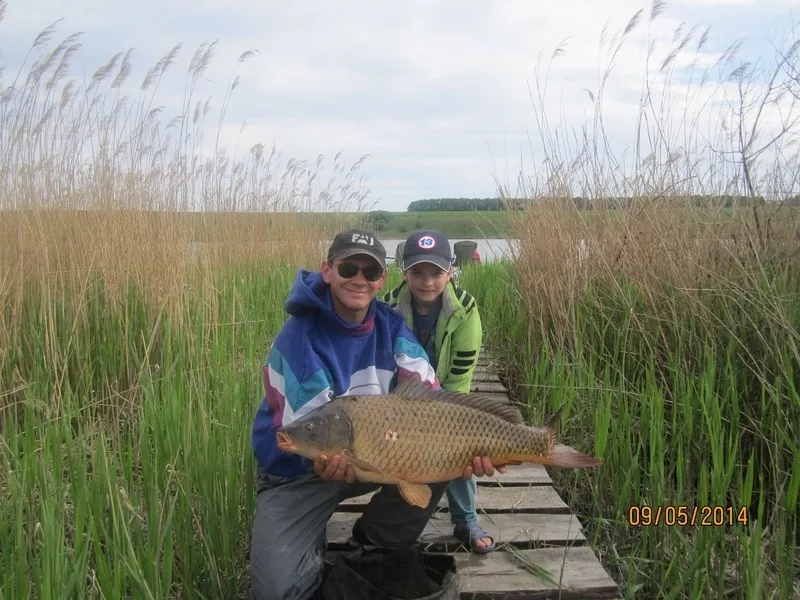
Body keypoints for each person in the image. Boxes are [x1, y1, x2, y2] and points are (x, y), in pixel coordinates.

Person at [249, 228, 504, 600]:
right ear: (328, 270)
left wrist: (468, 445)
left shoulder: (391, 326)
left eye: (370, 272)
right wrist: (322, 459)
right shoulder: (298, 340)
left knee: (437, 453)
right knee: (279, 594)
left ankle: (375, 538)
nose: (359, 279)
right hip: (296, 472)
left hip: (369, 455)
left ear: (382, 279)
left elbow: (430, 396)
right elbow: (300, 433)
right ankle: (305, 533)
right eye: (348, 268)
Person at [382, 229, 494, 554]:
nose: (426, 281)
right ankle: (397, 515)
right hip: (404, 391)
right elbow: (384, 364)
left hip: (447, 391)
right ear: (404, 272)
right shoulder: (387, 306)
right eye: (417, 272)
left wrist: (438, 420)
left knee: (458, 442)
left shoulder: (466, 309)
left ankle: (466, 517)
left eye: (436, 272)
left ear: (450, 272)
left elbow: (459, 382)